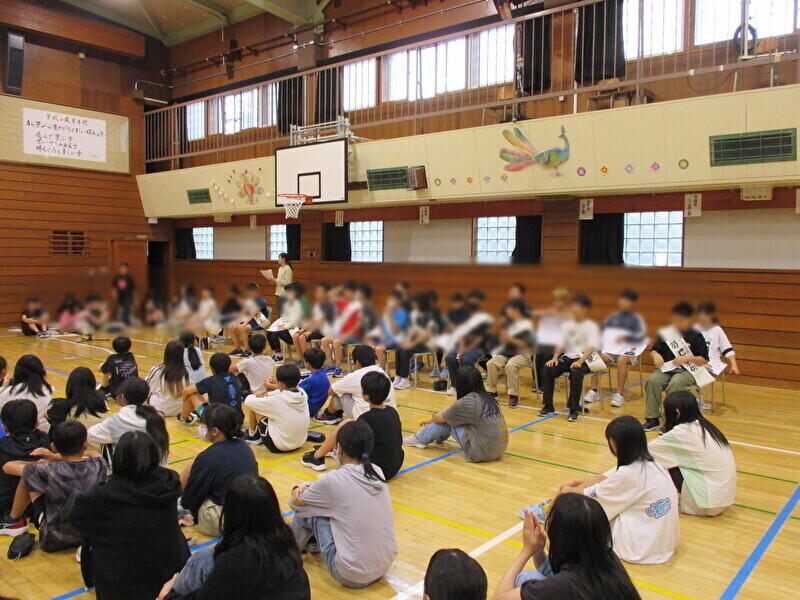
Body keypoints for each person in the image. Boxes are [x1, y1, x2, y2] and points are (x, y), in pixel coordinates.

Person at [72, 431, 190, 600]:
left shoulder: (102, 496)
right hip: (169, 568)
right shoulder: (169, 482)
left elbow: (79, 520)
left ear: (119, 459)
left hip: (120, 576)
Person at [159, 475, 310, 600]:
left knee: (202, 558)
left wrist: (167, 596)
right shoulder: (288, 548)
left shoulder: (235, 562)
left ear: (231, 513)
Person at [553, 416, 679, 565]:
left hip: (640, 547)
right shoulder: (653, 463)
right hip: (663, 541)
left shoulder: (629, 473)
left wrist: (567, 490)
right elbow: (608, 484)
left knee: (583, 513)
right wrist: (582, 484)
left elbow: (595, 498)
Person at [289, 420, 397, 588]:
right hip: (384, 565)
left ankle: (287, 553)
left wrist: (298, 489)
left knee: (309, 513)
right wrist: (310, 486)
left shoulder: (335, 480)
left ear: (339, 449)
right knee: (329, 508)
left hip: (351, 575)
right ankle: (312, 542)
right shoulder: (377, 471)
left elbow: (297, 504)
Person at [492, 494, 640, 600]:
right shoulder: (606, 556)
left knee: (524, 579)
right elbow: (554, 574)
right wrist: (538, 550)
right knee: (527, 578)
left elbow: (498, 597)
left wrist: (526, 551)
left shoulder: (565, 585)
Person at [0, 421, 107, 550]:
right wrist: (56, 457)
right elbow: (93, 453)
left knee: (28, 476)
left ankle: (14, 520)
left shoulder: (47, 470)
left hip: (53, 539)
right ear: (85, 443)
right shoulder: (99, 464)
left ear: (54, 446)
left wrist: (38, 464)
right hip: (89, 535)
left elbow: (7, 467)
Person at [301, 371, 404, 479]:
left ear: (366, 396)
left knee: (344, 426)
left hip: (375, 472)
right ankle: (329, 450)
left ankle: (317, 456)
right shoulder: (392, 411)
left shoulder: (366, 418)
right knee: (351, 425)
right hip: (395, 465)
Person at [649, 391, 736, 516]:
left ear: (677, 413)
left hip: (707, 504)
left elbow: (647, 450)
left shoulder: (682, 432)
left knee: (660, 459)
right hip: (724, 499)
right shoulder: (705, 426)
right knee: (670, 456)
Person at [180, 404, 258, 537]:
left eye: (203, 424)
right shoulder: (244, 445)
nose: (201, 428)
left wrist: (185, 508)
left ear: (215, 431)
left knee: (192, 467)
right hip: (250, 512)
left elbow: (191, 498)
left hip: (225, 520)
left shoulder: (208, 457)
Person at [405, 366, 508, 463]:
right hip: (499, 449)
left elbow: (440, 418)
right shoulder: (488, 397)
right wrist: (435, 419)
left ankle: (418, 439)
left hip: (481, 453)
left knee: (447, 422)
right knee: (450, 419)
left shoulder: (468, 401)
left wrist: (433, 418)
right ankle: (437, 438)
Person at [643, 302, 709, 432]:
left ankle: (671, 420)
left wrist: (688, 358)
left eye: (680, 320)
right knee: (653, 381)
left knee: (675, 383)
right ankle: (652, 418)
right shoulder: (667, 334)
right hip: (668, 368)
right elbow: (654, 350)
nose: (677, 323)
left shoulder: (696, 336)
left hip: (688, 370)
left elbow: (704, 359)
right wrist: (655, 355)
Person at [584, 289, 647, 408]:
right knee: (596, 357)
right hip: (612, 350)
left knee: (621, 360)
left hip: (628, 351)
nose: (623, 303)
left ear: (632, 303)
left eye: (626, 301)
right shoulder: (613, 317)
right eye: (622, 300)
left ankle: (619, 394)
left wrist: (628, 337)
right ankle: (594, 390)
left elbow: (642, 337)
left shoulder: (637, 319)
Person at [88, 377, 170, 463]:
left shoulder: (119, 420)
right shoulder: (156, 416)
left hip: (133, 469)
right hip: (157, 467)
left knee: (105, 444)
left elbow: (90, 434)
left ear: (122, 397)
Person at [315, 345, 397, 424]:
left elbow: (331, 391)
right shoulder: (381, 371)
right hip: (390, 415)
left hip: (366, 417)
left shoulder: (355, 375)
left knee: (339, 394)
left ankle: (329, 415)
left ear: (357, 362)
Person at [242, 364, 309, 452]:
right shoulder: (303, 393)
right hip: (300, 442)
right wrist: (267, 391)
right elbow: (279, 392)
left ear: (280, 383)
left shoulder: (277, 400)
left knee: (255, 408)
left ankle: (252, 436)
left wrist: (256, 394)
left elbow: (248, 401)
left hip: (279, 446)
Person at [0, 400, 49, 519]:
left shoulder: (2, 445)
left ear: (5, 427)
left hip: (6, 506)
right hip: (37, 505)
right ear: (37, 423)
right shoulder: (45, 439)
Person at [485, 300, 536, 408]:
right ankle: (491, 391)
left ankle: (513, 395)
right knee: (491, 363)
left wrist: (509, 338)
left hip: (522, 353)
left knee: (511, 365)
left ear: (516, 310)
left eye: (509, 310)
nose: (507, 312)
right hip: (507, 353)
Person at [443, 291, 493, 396]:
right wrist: (461, 348)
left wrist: (465, 350)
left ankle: (470, 388)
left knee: (466, 360)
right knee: (450, 358)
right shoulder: (465, 316)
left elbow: (479, 339)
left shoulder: (485, 319)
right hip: (464, 346)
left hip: (479, 347)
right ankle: (456, 386)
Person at [46, 367, 108, 450]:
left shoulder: (62, 406)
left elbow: (47, 413)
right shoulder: (101, 401)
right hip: (100, 452)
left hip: (75, 452)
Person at [180, 353, 243, 425]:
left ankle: (183, 417)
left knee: (192, 395)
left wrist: (184, 403)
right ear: (229, 366)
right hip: (238, 421)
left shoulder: (210, 381)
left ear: (212, 368)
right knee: (204, 393)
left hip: (218, 424)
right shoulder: (234, 377)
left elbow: (186, 391)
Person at [393, 292, 438, 390]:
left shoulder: (430, 315)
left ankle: (405, 380)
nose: (413, 304)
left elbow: (427, 334)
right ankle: (398, 376)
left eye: (415, 302)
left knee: (405, 352)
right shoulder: (415, 314)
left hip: (428, 343)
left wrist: (412, 344)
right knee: (399, 349)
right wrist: (407, 341)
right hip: (417, 342)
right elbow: (413, 330)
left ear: (421, 303)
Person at [0, 355, 54, 432]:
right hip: (44, 433)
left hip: (18, 434)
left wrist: (4, 386)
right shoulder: (49, 390)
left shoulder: (10, 391)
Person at [321, 281, 363, 376]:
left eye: (347, 291)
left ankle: (338, 368)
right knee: (324, 340)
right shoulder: (344, 303)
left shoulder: (358, 305)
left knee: (336, 342)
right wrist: (340, 288)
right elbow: (331, 295)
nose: (345, 293)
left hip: (355, 334)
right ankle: (331, 365)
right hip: (343, 334)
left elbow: (359, 323)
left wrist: (348, 333)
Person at [532, 288, 570, 394]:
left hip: (562, 346)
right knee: (538, 354)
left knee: (547, 354)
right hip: (548, 343)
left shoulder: (568, 315)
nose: (558, 303)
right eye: (556, 300)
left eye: (560, 300)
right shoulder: (549, 313)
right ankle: (537, 382)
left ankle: (546, 383)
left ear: (565, 301)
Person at [147, 341, 191, 417]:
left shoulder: (158, 370)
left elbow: (146, 387)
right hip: (180, 408)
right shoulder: (187, 369)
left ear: (166, 354)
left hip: (160, 409)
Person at [696, 301, 740, 376]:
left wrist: (734, 365)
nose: (702, 318)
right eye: (701, 315)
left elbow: (727, 348)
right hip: (696, 361)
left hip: (712, 362)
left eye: (705, 315)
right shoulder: (693, 329)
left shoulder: (717, 330)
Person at [293, 283, 334, 358]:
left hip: (323, 330)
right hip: (315, 328)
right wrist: (304, 328)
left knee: (302, 337)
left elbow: (321, 321)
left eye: (319, 292)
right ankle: (300, 359)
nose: (317, 293)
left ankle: (307, 360)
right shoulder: (317, 304)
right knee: (295, 336)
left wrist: (311, 331)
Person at [229, 283, 270, 357]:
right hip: (251, 321)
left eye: (251, 292)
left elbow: (253, 314)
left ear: (256, 291)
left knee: (242, 328)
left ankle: (248, 350)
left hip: (261, 321)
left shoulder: (262, 301)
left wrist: (244, 324)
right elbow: (242, 312)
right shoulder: (249, 301)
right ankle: (238, 349)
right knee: (231, 327)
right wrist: (235, 322)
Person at [265, 284, 303, 362]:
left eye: (289, 292)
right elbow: (283, 317)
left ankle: (279, 355)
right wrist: (275, 325)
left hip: (294, 330)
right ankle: (276, 353)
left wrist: (285, 327)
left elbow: (296, 320)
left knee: (275, 334)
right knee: (269, 332)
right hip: (286, 328)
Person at [299, 348, 330, 418]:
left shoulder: (311, 380)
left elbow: (292, 390)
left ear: (308, 364)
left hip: (309, 409)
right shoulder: (322, 374)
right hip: (316, 407)